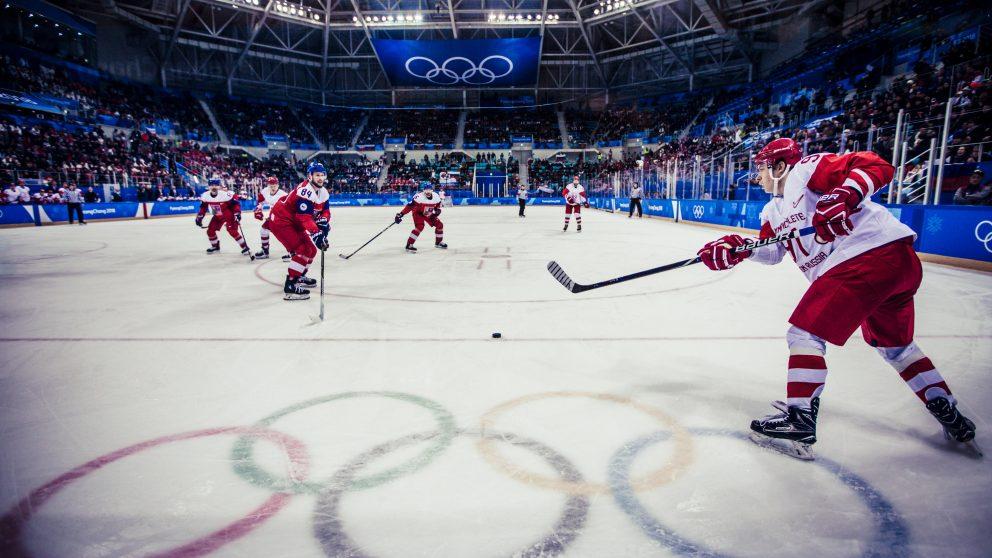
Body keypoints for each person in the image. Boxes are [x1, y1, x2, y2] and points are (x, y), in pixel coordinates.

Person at [696, 138, 977, 459]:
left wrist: (844, 193)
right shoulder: (773, 209)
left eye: (761, 168)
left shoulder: (805, 171)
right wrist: (738, 249)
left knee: (804, 333)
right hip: (895, 264)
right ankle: (948, 410)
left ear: (780, 166)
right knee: (897, 347)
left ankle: (799, 417)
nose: (757, 176)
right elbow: (773, 251)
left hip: (866, 256)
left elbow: (878, 166)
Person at [267, 162, 331, 300]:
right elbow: (304, 217)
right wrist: (316, 233)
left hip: (295, 223)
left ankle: (300, 276)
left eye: (322, 175)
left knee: (311, 251)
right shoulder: (305, 190)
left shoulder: (323, 192)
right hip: (281, 221)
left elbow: (325, 211)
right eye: (317, 175)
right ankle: (290, 285)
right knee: (302, 250)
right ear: (310, 176)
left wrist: (324, 223)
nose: (320, 178)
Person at [195, 178, 249, 256]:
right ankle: (215, 246)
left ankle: (245, 247)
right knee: (210, 231)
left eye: (216, 185)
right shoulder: (205, 196)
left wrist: (237, 213)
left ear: (219, 186)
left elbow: (235, 204)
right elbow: (203, 207)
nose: (214, 187)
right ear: (209, 186)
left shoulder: (225, 195)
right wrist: (199, 217)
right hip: (217, 214)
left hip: (228, 214)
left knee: (232, 231)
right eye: (212, 185)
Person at [395, 186, 445, 252]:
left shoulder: (436, 196)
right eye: (426, 191)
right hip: (417, 212)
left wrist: (437, 210)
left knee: (439, 225)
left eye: (429, 190)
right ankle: (409, 244)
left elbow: (437, 205)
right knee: (419, 227)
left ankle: (438, 242)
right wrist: (401, 214)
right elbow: (409, 206)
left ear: (432, 191)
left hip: (427, 212)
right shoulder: (419, 197)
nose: (428, 192)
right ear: (423, 191)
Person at [253, 176, 289, 260]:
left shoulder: (283, 195)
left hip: (283, 217)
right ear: (268, 185)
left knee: (285, 235)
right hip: (272, 216)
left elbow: (289, 208)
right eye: (271, 186)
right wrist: (258, 210)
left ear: (278, 185)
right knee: (264, 230)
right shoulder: (265, 191)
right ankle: (265, 251)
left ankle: (293, 252)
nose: (273, 188)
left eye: (274, 185)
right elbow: (260, 202)